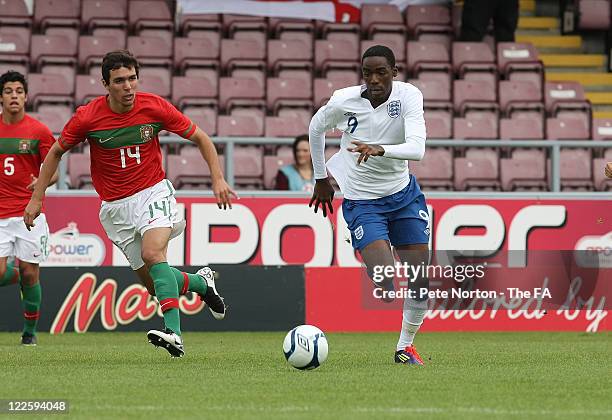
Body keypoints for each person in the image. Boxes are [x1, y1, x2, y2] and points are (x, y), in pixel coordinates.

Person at [24, 50, 236, 358]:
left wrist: (217, 179)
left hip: (153, 192)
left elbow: (202, 138)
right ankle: (200, 284)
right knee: (154, 285)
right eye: (120, 81)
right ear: (105, 84)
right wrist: (37, 197)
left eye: (132, 79)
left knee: (153, 253)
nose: (128, 86)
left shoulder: (154, 107)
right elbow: (56, 152)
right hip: (115, 207)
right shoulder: (88, 117)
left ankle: (174, 333)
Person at [308, 45, 430, 365]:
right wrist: (321, 179)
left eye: (381, 72)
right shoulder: (344, 101)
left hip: (403, 195)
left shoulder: (408, 97)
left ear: (395, 71)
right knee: (385, 280)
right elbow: (316, 128)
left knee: (419, 277)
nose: (373, 79)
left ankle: (405, 347)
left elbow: (417, 149)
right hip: (363, 200)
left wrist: (381, 150)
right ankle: (362, 240)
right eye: (367, 73)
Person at [0, 71, 57, 346]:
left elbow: (53, 170)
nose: (14, 95)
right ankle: (18, 275)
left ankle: (29, 333)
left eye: (19, 91)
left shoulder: (39, 131)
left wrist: (41, 181)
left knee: (30, 272)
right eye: (9, 91)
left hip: (29, 214)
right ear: (1, 97)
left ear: (25, 96)